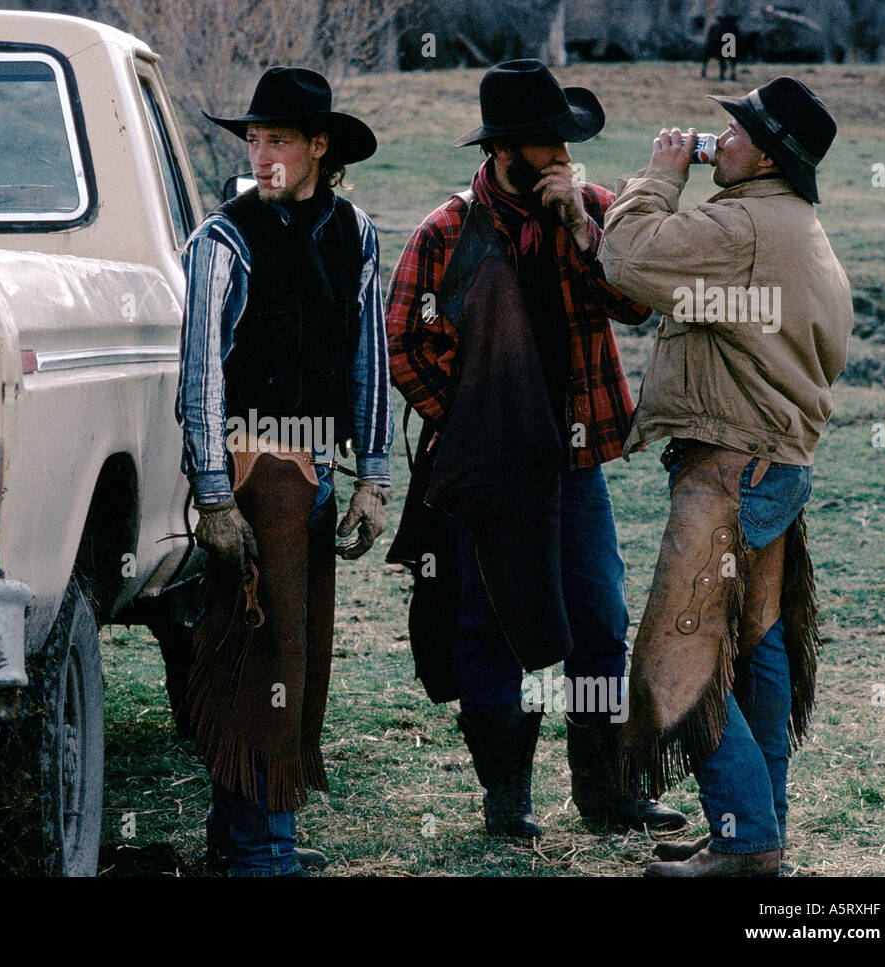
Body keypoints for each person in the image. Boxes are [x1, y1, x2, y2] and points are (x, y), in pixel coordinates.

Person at [385, 60, 686, 839]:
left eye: (565, 142)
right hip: (492, 473)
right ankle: (507, 799)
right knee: (490, 629)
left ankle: (604, 791)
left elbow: (637, 303)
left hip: (577, 460)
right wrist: (470, 424)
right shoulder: (444, 231)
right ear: (504, 151)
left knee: (598, 618)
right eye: (546, 144)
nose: (561, 156)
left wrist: (584, 233)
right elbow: (404, 344)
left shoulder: (591, 211)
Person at [598, 77, 852, 876]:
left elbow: (630, 257)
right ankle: (757, 829)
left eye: (734, 131)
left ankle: (746, 840)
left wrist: (660, 174)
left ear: (767, 153)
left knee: (676, 657)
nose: (718, 139)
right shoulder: (792, 224)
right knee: (757, 644)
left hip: (729, 468)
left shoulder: (741, 223)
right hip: (772, 462)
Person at [176, 66, 393, 877]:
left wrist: (372, 477)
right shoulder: (221, 239)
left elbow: (369, 356)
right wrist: (212, 496)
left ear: (319, 148)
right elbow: (198, 376)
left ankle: (238, 840)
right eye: (255, 141)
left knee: (298, 659)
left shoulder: (358, 234)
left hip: (320, 473)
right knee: (262, 656)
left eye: (279, 142)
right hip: (249, 470)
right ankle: (265, 854)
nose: (261, 156)